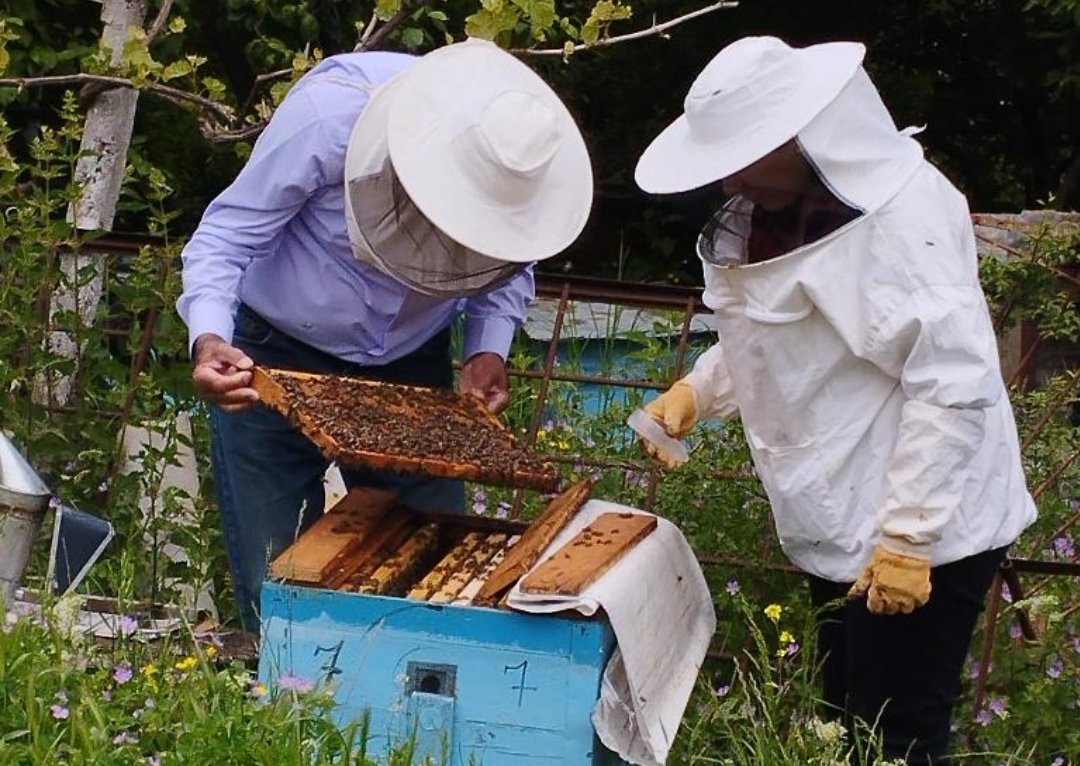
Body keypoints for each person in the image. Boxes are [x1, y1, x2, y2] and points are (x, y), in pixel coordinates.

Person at [635, 36, 1035, 764]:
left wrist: (910, 539)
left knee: (897, 741)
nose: (731, 183)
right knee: (844, 726)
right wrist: (701, 388)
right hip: (845, 517)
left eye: (743, 158)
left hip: (925, 529)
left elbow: (954, 379)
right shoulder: (780, 213)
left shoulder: (898, 219)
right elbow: (782, 337)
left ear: (800, 135)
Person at [177, 38, 593, 630]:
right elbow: (226, 237)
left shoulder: (521, 156)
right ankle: (285, 712)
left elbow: (513, 261)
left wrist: (486, 348)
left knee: (441, 573)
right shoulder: (329, 118)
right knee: (277, 578)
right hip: (271, 357)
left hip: (411, 368)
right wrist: (210, 338)